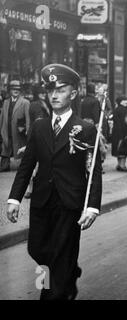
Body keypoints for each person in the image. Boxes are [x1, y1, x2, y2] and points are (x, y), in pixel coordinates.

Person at [6, 63, 102, 300]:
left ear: (74, 92)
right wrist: (14, 198)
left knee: (58, 255)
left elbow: (93, 172)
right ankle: (67, 275)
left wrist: (92, 206)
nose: (54, 95)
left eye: (61, 89)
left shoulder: (86, 128)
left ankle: (49, 293)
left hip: (69, 203)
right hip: (42, 201)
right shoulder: (39, 127)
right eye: (50, 90)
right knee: (38, 249)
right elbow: (26, 166)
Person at [0, 80, 31, 172]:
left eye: (17, 89)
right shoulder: (6, 102)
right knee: (6, 146)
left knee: (20, 147)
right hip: (7, 129)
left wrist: (28, 131)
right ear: (10, 90)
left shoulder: (25, 102)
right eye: (13, 89)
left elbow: (28, 118)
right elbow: (2, 117)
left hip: (19, 130)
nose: (16, 91)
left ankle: (24, 166)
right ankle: (4, 165)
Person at [111, 96, 127, 172]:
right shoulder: (124, 110)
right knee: (123, 149)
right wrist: (126, 133)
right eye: (125, 100)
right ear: (121, 102)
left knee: (118, 149)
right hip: (123, 132)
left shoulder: (116, 109)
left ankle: (119, 164)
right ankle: (122, 165)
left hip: (116, 132)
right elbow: (125, 122)